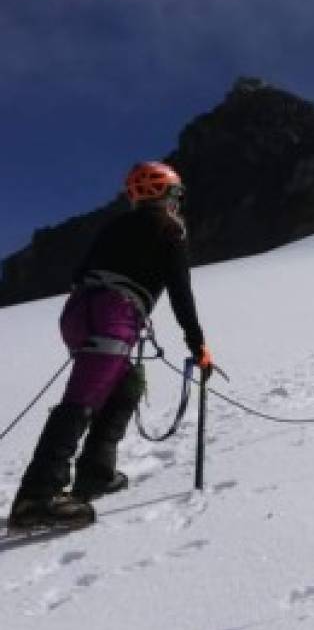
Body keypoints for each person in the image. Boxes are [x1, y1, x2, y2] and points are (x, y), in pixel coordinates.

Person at [7, 162, 213, 532]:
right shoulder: (170, 228)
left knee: (126, 383)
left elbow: (79, 273)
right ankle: (37, 498)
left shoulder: (115, 226)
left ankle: (96, 472)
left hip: (80, 311)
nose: (178, 202)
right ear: (168, 194)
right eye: (176, 195)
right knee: (83, 398)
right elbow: (180, 291)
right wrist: (198, 344)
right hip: (115, 313)